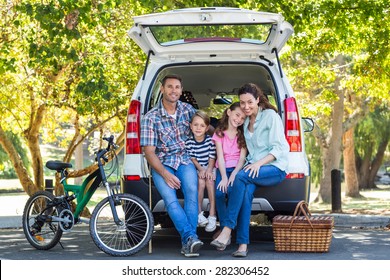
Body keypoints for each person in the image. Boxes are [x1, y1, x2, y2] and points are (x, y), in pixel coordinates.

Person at [210, 83, 289, 257]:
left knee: (240, 177)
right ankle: (243, 246)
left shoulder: (270, 116)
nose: (246, 106)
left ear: (258, 100)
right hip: (253, 168)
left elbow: (280, 148)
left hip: (273, 167)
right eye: (242, 102)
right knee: (244, 194)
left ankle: (227, 229)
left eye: (249, 102)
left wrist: (258, 164)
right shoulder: (245, 123)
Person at [141, 74, 203, 257]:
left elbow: (204, 126)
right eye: (170, 87)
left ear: (181, 90)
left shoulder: (188, 110)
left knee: (192, 191)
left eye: (177, 87)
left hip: (185, 159)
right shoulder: (150, 117)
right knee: (170, 199)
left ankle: (189, 241)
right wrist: (165, 175)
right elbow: (149, 152)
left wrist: (225, 131)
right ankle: (190, 238)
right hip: (162, 163)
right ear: (162, 89)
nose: (173, 90)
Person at [211, 102, 247, 242]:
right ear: (228, 112)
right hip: (222, 168)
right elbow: (219, 157)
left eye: (243, 118)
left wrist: (233, 175)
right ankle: (225, 228)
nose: (238, 119)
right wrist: (225, 177)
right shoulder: (219, 133)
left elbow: (242, 159)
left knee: (232, 193)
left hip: (236, 169)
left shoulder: (242, 135)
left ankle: (225, 231)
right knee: (219, 193)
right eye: (237, 115)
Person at [185, 111, 217, 232]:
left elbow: (212, 157)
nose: (198, 128)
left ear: (207, 128)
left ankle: (212, 214)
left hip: (210, 166)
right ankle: (198, 214)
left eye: (202, 125)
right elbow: (192, 158)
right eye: (196, 125)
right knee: (201, 183)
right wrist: (201, 169)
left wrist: (208, 170)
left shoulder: (210, 141)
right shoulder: (189, 142)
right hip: (197, 167)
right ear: (191, 126)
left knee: (209, 181)